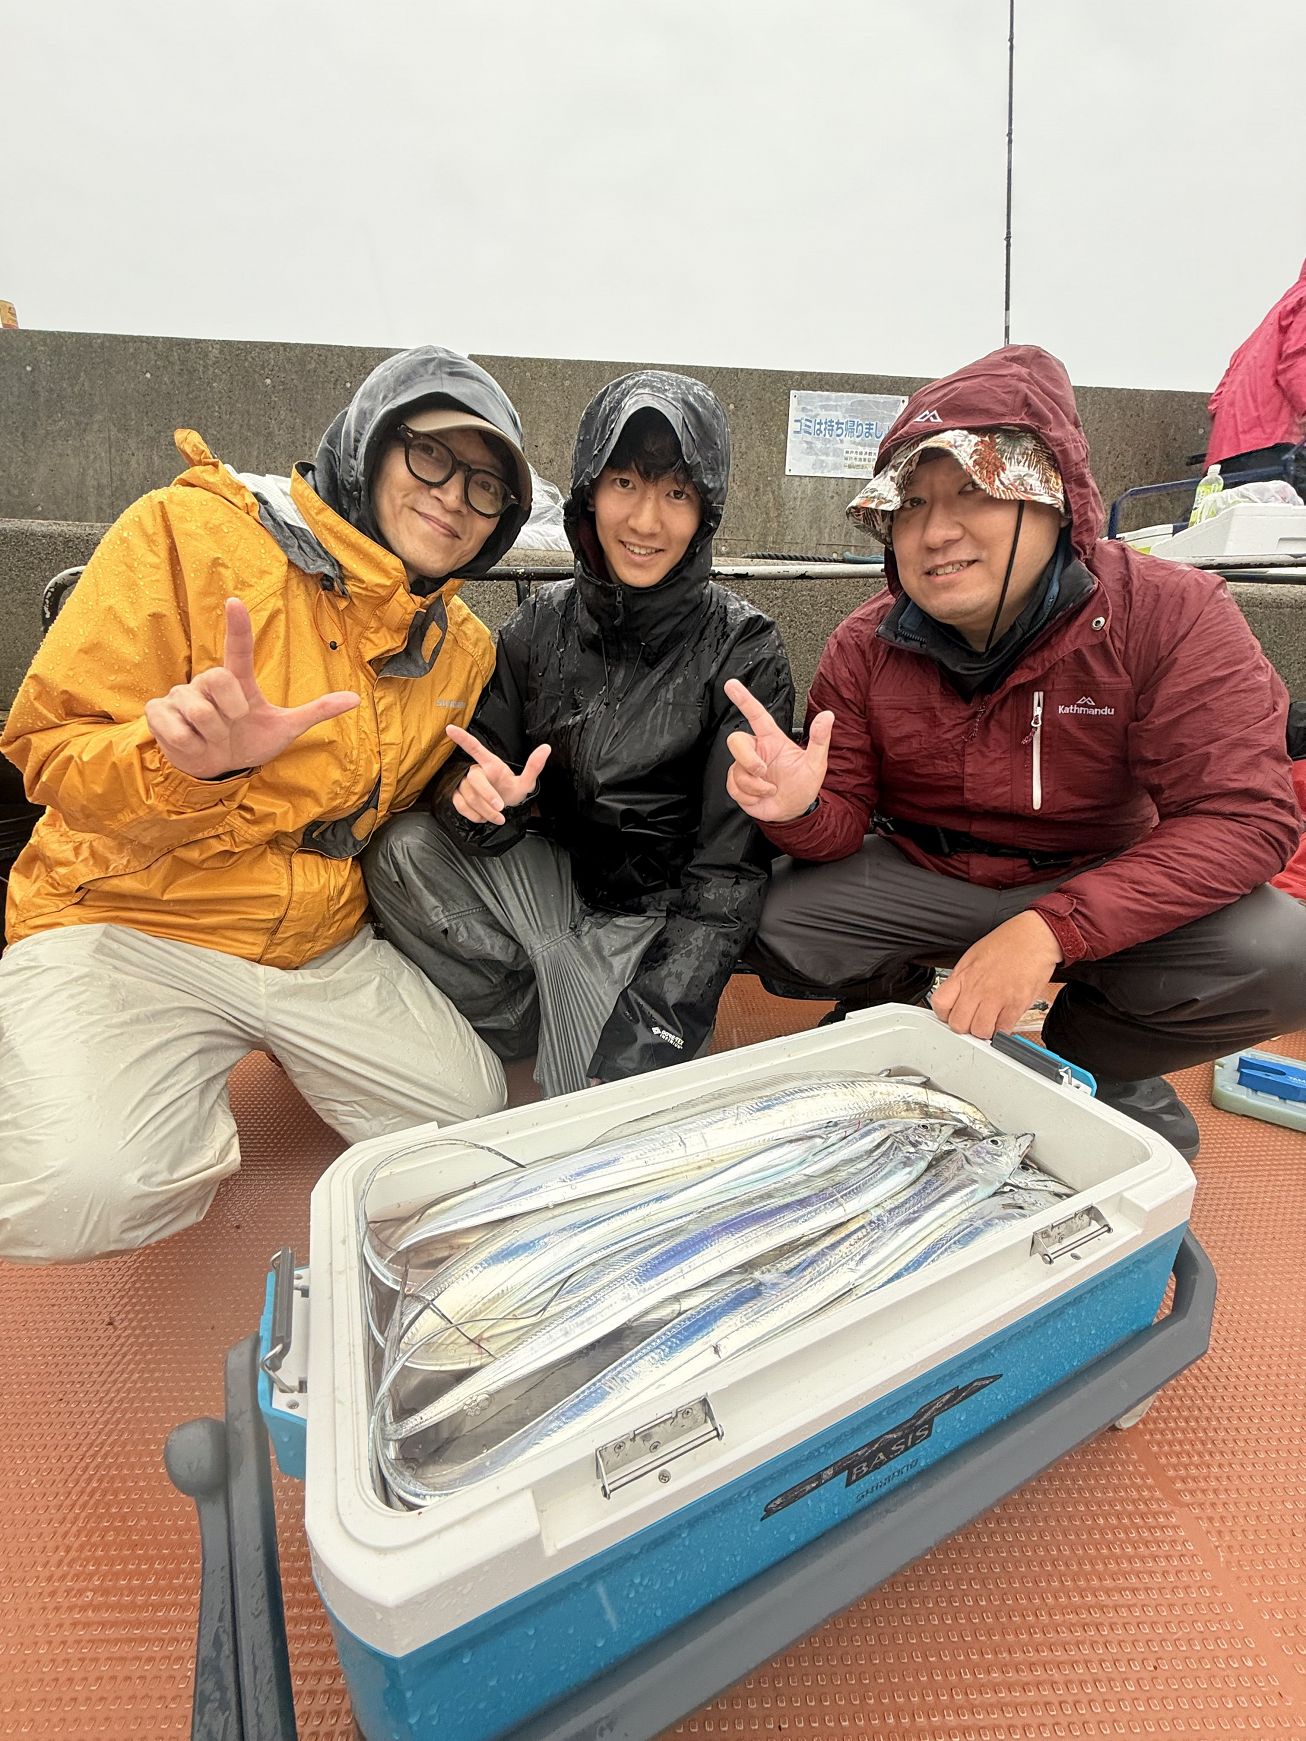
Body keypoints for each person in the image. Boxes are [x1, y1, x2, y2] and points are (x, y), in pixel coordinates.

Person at [0, 346, 533, 1262]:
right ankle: (151, 1090)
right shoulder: (186, 534)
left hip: (316, 943)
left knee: (467, 1120)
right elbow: (47, 747)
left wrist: (470, 794)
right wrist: (191, 769)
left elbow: (416, 785)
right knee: (69, 1193)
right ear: (368, 447)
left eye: (486, 487)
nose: (453, 497)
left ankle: (279, 1047)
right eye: (431, 455)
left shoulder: (464, 646)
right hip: (133, 918)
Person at [723, 343, 1306, 1161]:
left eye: (976, 490)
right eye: (911, 503)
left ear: (1056, 498)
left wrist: (1050, 929)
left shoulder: (1173, 613)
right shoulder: (863, 643)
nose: (937, 531)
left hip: (1097, 873)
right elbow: (841, 823)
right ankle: (894, 1010)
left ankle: (1097, 1054)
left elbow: (1244, 816)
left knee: (1285, 954)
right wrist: (801, 809)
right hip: (929, 871)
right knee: (762, 909)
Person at [364, 369, 794, 1098]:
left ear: (706, 512)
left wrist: (653, 1025)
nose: (645, 522)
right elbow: (477, 766)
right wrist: (475, 799)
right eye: (624, 483)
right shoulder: (539, 623)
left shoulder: (743, 648)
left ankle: (601, 1020)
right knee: (402, 850)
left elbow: (728, 875)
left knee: (601, 1113)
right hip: (549, 884)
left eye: (676, 493)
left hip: (651, 924)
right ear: (589, 493)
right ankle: (518, 1017)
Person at [1205, 258, 1306, 494]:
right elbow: (1297, 366)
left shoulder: (1279, 312)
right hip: (1275, 452)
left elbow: (1218, 398)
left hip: (1226, 459)